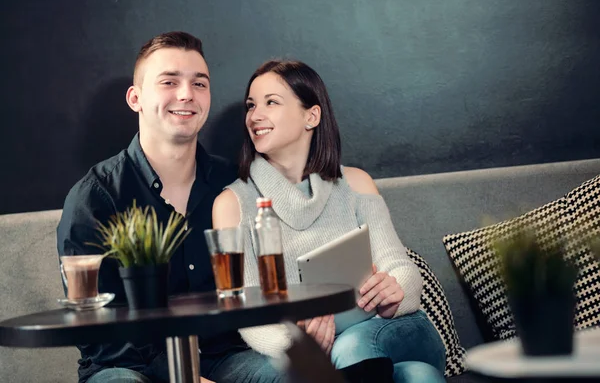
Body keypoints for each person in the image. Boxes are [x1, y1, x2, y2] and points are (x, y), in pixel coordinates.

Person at [57, 32, 284, 383]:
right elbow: (97, 335)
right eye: (169, 81)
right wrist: (184, 377)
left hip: (225, 357)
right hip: (127, 368)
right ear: (136, 98)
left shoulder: (235, 183)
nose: (186, 94)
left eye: (199, 83)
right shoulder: (95, 197)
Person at [212, 60, 447, 382]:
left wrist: (396, 290)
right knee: (418, 376)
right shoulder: (232, 204)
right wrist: (297, 342)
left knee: (353, 345)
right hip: (323, 352)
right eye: (251, 105)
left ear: (312, 116)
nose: (255, 116)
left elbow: (399, 265)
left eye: (271, 102)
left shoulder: (356, 183)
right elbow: (245, 309)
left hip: (392, 327)